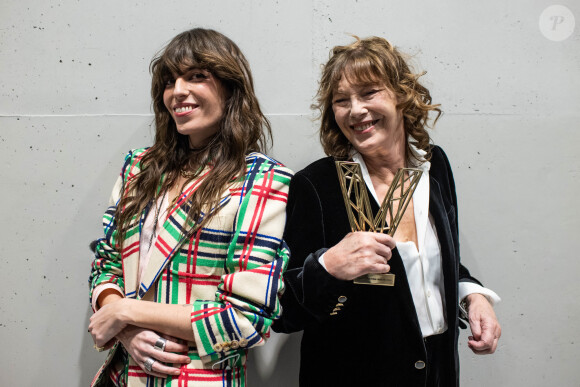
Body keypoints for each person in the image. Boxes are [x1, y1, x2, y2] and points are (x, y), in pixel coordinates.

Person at [272, 36, 501, 386]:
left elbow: (440, 262)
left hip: (436, 373)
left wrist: (473, 295)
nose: (355, 110)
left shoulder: (433, 166)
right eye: (341, 101)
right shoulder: (318, 184)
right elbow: (281, 311)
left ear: (401, 95)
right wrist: (328, 268)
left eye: (368, 93)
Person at [88, 28, 293, 387]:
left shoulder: (262, 180)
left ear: (231, 87)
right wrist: (123, 330)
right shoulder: (139, 168)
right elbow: (106, 264)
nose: (177, 91)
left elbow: (247, 319)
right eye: (169, 81)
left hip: (198, 378)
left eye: (197, 76)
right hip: (122, 375)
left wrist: (126, 311)